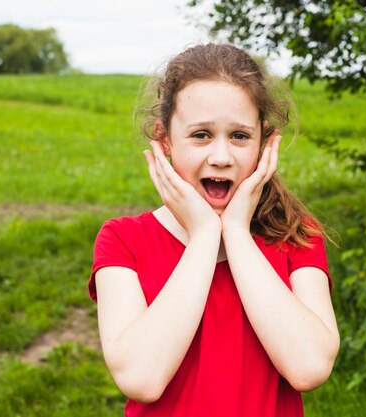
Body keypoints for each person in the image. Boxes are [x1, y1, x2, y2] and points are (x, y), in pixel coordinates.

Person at [88, 43, 340, 417]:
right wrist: (205, 235)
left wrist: (236, 231)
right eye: (201, 135)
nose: (221, 157)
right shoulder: (124, 240)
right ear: (164, 140)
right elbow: (141, 378)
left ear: (264, 142)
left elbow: (309, 368)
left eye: (239, 136)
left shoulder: (296, 236)